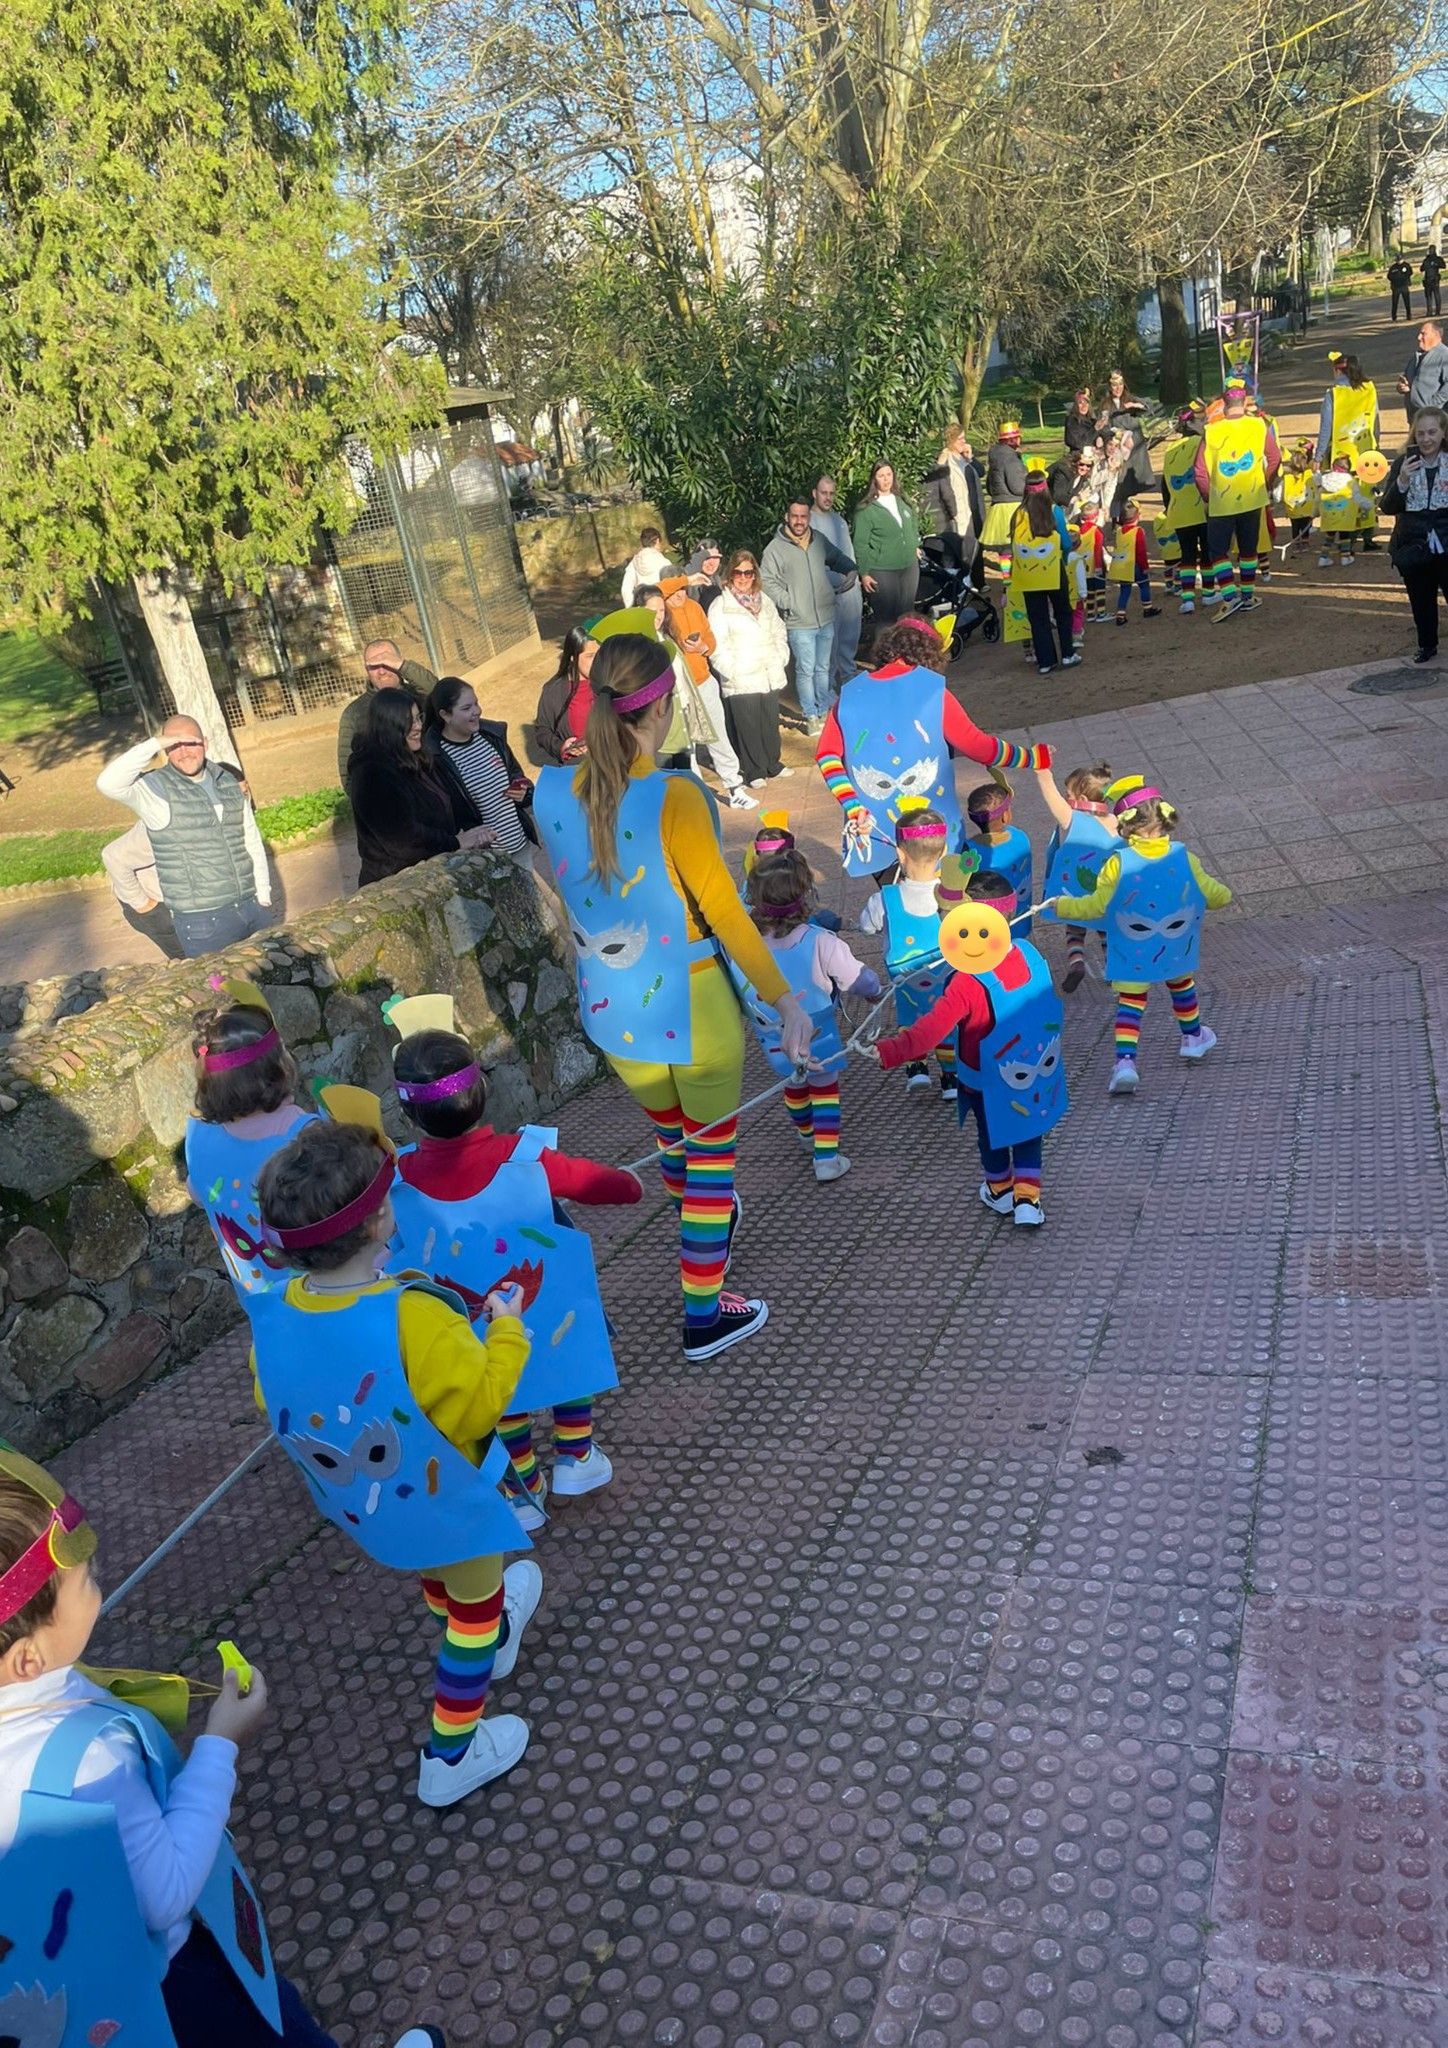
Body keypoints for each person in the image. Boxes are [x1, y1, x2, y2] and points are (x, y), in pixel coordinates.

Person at [0, 1447, 452, 2048]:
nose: (98, 1579)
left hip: (67, 2002)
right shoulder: (88, 1760)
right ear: (27, 1655)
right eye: (86, 1580)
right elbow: (166, 1892)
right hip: (175, 1985)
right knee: (275, 2025)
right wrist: (220, 1743)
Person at [536, 634, 813, 1360]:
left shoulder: (548, 788)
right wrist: (785, 1000)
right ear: (661, 705)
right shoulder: (676, 795)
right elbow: (723, 910)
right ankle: (703, 1311)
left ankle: (704, 1221)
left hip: (611, 1009)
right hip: (691, 1007)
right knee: (712, 1160)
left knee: (673, 1139)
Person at [251, 1117, 540, 1806]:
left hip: (370, 1505)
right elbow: (477, 1407)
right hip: (449, 1498)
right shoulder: (416, 1312)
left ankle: (489, 1633)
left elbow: (276, 1398)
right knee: (475, 1605)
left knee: (433, 1576)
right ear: (380, 1218)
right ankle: (452, 1751)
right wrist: (506, 1332)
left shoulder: (272, 1312)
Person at [388, 1009, 643, 1527]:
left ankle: (524, 1486)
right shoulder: (526, 1157)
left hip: (464, 1318)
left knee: (499, 1391)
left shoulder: (397, 1176)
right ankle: (576, 1458)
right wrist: (630, 1184)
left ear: (408, 1114)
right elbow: (606, 1186)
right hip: (541, 1301)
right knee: (566, 1355)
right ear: (482, 1090)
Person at [866, 864, 1066, 1228]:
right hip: (1034, 1067)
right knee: (1027, 1131)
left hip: (982, 1078)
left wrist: (888, 1051)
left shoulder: (964, 981)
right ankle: (1028, 1200)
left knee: (990, 1135)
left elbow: (928, 1033)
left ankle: (1000, 1190)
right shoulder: (1029, 953)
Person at [816, 614, 1052, 887]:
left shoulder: (849, 695)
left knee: (897, 905)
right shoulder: (933, 692)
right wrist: (1032, 757)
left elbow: (826, 756)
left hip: (875, 831)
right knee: (946, 902)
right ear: (931, 654)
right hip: (934, 832)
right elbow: (979, 747)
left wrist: (853, 804)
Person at [1051, 776, 1231, 1095]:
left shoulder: (1116, 864)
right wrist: (1223, 894)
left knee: (1131, 1003)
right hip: (1175, 945)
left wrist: (1063, 905)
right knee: (1181, 985)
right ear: (1165, 818)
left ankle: (1125, 1063)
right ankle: (1192, 1036)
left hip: (1132, 948)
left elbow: (1095, 907)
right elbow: (1216, 896)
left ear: (1125, 827)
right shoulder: (1185, 857)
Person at [743, 847, 881, 1184]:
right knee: (824, 1087)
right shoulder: (821, 940)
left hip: (770, 1027)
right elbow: (858, 979)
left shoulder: (745, 943)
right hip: (818, 1028)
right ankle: (826, 1156)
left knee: (792, 1080)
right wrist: (875, 991)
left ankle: (805, 1133)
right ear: (806, 896)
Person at [97, 717, 272, 959]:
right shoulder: (154, 790)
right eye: (174, 745)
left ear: (205, 743)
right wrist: (156, 743)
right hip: (202, 924)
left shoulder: (227, 781)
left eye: (190, 743)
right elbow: (108, 783)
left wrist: (263, 896)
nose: (184, 752)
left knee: (271, 980)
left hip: (250, 908)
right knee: (220, 991)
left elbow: (250, 841)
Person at [184, 985, 317, 1302]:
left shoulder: (197, 1135)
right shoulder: (302, 1133)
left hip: (259, 1299)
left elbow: (197, 1191)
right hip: (321, 1294)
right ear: (280, 1067)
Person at [859, 797, 962, 1100]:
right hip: (944, 974)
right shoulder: (953, 894)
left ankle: (916, 1067)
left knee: (910, 1018)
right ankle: (951, 1078)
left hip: (904, 978)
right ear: (944, 851)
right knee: (943, 1020)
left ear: (899, 854)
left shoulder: (885, 897)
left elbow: (867, 926)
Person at [346, 688, 493, 886]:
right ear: (389, 726)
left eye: (418, 718)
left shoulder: (418, 756)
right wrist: (456, 842)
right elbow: (402, 839)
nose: (418, 727)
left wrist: (474, 831)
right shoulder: (371, 772)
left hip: (436, 870)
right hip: (396, 884)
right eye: (410, 722)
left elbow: (453, 801)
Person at [760, 494, 859, 735]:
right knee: (805, 670)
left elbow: (839, 559)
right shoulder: (775, 549)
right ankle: (811, 715)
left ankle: (825, 709)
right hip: (798, 621)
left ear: (809, 518)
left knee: (823, 667)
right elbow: (766, 580)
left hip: (825, 616)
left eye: (803, 516)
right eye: (794, 516)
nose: (799, 521)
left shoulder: (819, 540)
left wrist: (852, 572)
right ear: (787, 517)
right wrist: (788, 601)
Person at [425, 676, 537, 868]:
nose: (476, 711)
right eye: (466, 708)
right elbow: (446, 815)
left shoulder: (492, 737)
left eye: (476, 704)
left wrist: (524, 792)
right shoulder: (436, 758)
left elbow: (519, 778)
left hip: (519, 846)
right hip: (483, 859)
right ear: (445, 715)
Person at [1193, 379, 1280, 619]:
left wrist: (1208, 496)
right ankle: (1248, 595)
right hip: (1253, 498)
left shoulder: (1211, 430)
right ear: (1244, 402)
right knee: (1248, 549)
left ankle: (1230, 597)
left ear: (1223, 403)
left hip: (1221, 502)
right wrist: (1265, 484)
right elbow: (1274, 458)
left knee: (1218, 551)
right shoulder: (1259, 425)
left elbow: (1199, 471)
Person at [1032, 759, 1118, 993]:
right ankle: (1113, 970)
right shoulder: (1116, 821)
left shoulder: (1072, 819)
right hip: (1105, 893)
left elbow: (1052, 798)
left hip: (1074, 891)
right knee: (1106, 929)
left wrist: (1043, 772)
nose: (1065, 798)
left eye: (1068, 794)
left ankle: (1077, 963)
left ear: (1080, 799)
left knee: (1074, 928)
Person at [709, 549, 792, 787]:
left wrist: (780, 656)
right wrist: (731, 669)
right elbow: (717, 644)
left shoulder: (764, 600)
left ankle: (772, 764)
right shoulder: (720, 606)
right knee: (748, 725)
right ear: (730, 574)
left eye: (749, 572)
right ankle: (754, 771)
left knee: (768, 720)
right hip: (741, 674)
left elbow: (778, 630)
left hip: (768, 670)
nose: (744, 578)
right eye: (738, 573)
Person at [1380, 405, 1448, 663]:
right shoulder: (1403, 463)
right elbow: (1387, 507)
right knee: (1421, 599)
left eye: (1432, 432)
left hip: (1445, 538)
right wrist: (1403, 482)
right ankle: (1427, 645)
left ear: (1443, 433)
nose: (1426, 439)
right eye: (1420, 434)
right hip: (1414, 542)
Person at [1008, 471, 1081, 675]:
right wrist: (1063, 560)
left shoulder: (1017, 514)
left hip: (1027, 575)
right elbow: (1066, 543)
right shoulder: (1054, 511)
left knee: (1038, 618)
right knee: (1063, 612)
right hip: (1052, 569)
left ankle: (1045, 661)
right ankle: (1068, 654)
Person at [336, 641, 437, 784]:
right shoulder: (354, 713)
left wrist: (405, 666)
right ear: (366, 670)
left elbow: (439, 693)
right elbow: (348, 774)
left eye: (388, 662)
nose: (382, 671)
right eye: (374, 666)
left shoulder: (418, 693)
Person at [810, 476, 864, 690]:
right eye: (824, 493)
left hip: (849, 590)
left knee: (849, 635)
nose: (828, 498)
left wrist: (854, 577)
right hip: (825, 591)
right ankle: (828, 688)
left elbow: (849, 556)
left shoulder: (839, 521)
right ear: (815, 493)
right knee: (827, 645)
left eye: (832, 493)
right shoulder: (809, 522)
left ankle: (849, 678)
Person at [102, 819, 184, 959]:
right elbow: (113, 856)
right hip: (158, 905)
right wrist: (143, 905)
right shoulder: (166, 820)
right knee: (192, 960)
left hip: (191, 899)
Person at [852, 460, 922, 624]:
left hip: (909, 567)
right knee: (887, 621)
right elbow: (860, 544)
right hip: (883, 570)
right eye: (881, 475)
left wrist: (915, 545)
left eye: (889, 474)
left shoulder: (902, 500)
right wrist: (864, 573)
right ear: (874, 479)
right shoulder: (866, 509)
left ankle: (905, 650)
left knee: (906, 617)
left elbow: (912, 523)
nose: (886, 479)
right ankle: (884, 650)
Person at [1159, 408, 1209, 613]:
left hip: (1178, 510)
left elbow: (1164, 485)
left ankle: (1187, 598)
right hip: (1201, 508)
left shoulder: (1170, 450)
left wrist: (1169, 507)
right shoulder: (1202, 444)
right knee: (1206, 553)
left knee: (1187, 555)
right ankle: (1207, 593)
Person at [965, 778, 1033, 924]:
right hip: (1020, 917)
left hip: (988, 923)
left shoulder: (968, 851)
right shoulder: (1021, 838)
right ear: (1005, 815)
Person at [922, 426, 986, 579]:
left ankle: (978, 580)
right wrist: (941, 463)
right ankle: (962, 581)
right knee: (957, 548)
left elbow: (981, 472)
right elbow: (937, 480)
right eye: (960, 439)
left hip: (970, 507)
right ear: (951, 440)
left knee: (973, 544)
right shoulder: (945, 457)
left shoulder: (963, 457)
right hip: (954, 511)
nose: (964, 442)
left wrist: (970, 458)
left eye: (964, 438)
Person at [533, 627, 600, 766]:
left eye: (599, 654)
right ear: (572, 657)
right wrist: (561, 747)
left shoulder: (609, 684)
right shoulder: (553, 691)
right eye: (590, 656)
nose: (597, 661)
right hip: (577, 768)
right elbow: (542, 731)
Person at [1318, 351, 1380, 468]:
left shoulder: (1333, 394)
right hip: (1365, 450)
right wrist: (1376, 444)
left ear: (1337, 371)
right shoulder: (1369, 389)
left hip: (1341, 456)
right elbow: (1375, 421)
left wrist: (1319, 456)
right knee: (1366, 485)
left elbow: (1326, 427)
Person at [1108, 499, 1162, 625]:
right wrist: (1145, 567)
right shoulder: (1138, 531)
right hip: (1135, 564)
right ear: (1137, 516)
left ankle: (1120, 615)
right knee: (1144, 585)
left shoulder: (1119, 531)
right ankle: (1147, 609)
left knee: (1124, 590)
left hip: (1122, 565)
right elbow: (1141, 552)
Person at [1317, 454, 1361, 568]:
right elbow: (1357, 497)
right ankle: (1345, 557)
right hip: (1344, 515)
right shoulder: (1351, 482)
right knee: (1344, 536)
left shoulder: (1324, 481)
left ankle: (1323, 557)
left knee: (1329, 536)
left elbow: (1317, 498)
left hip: (1328, 514)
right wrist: (1368, 505)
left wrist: (1314, 512)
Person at [1398, 320, 1448, 419]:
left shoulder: (1444, 355)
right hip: (1415, 418)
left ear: (1436, 335)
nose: (1419, 337)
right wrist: (1402, 386)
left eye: (1423, 334)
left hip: (1435, 420)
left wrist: (1432, 406)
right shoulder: (1416, 356)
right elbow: (1408, 379)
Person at [1279, 439, 1320, 551]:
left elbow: (1278, 493)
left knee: (1295, 526)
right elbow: (1317, 486)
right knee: (1305, 526)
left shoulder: (1287, 478)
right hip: (1307, 507)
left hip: (1293, 509)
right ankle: (1305, 543)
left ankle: (1296, 543)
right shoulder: (1309, 475)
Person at [620, 526, 674, 607]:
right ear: (657, 540)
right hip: (661, 606)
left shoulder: (633, 563)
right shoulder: (664, 562)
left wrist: (630, 607)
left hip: (643, 606)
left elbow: (626, 589)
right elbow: (672, 585)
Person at [1063, 389, 1101, 455]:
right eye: (1080, 403)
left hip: (1093, 456)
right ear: (1076, 405)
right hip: (1077, 457)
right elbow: (1078, 444)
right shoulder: (1072, 420)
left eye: (1086, 403)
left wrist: (1100, 437)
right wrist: (1095, 430)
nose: (1084, 406)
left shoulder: (1092, 421)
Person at [1388, 253, 1414, 322]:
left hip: (1404, 286)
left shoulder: (1406, 265)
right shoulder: (1393, 267)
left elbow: (1410, 273)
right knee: (1395, 303)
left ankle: (1409, 315)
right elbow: (1389, 276)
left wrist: (1405, 278)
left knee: (1407, 302)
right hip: (1396, 287)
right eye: (1397, 260)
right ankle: (1394, 317)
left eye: (1400, 259)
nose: (1399, 261)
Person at [1423, 247, 1444, 319]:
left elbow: (1443, 266)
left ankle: (1437, 311)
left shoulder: (1437, 259)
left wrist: (1436, 264)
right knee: (1429, 296)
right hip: (1428, 280)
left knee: (1435, 296)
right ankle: (1430, 311)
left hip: (1434, 280)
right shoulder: (1427, 260)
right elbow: (1421, 268)